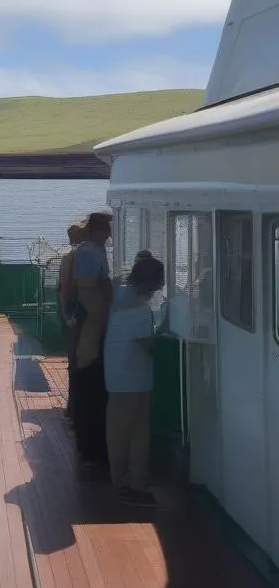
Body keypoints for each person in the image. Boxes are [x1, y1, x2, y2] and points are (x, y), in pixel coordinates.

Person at [104, 255, 166, 506]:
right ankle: (132, 484)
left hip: (117, 374)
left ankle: (121, 479)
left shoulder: (117, 294)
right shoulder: (140, 311)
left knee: (118, 429)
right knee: (136, 431)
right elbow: (148, 345)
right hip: (134, 379)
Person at [72, 211, 114, 469]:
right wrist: (103, 311)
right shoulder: (89, 252)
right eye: (107, 230)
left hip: (96, 324)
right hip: (92, 328)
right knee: (88, 383)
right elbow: (86, 286)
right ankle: (91, 449)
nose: (110, 235)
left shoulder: (95, 249)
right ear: (97, 231)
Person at [56, 222, 87, 422]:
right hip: (76, 314)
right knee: (77, 361)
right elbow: (66, 289)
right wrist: (68, 315)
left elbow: (63, 289)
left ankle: (74, 406)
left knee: (75, 361)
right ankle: (75, 407)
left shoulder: (71, 257)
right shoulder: (72, 258)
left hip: (73, 314)